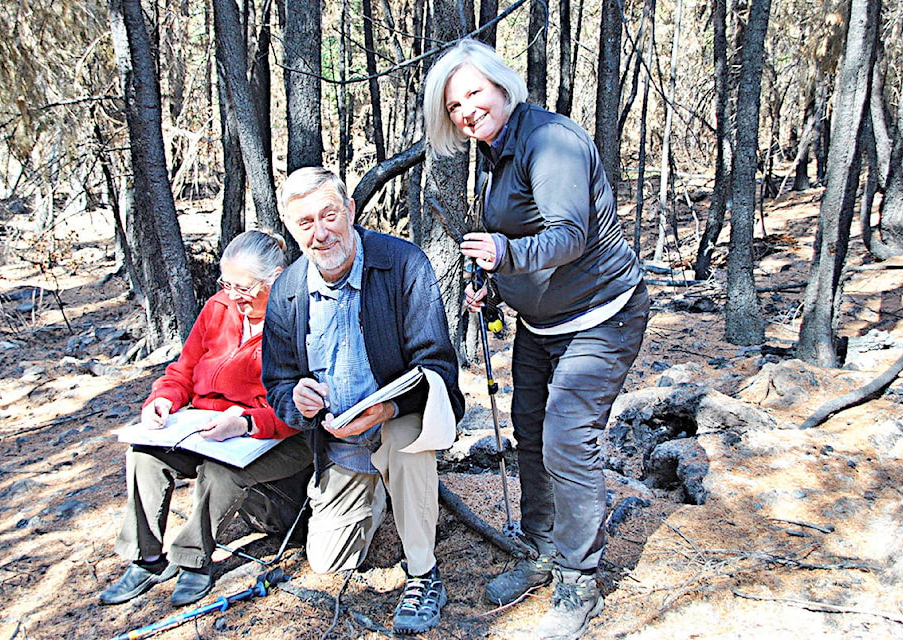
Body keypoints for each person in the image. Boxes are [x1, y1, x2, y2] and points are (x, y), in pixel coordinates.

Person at [423, 39, 650, 639]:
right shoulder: (494, 154)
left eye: (474, 93)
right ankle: (543, 549)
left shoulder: (551, 141)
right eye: (454, 106)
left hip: (603, 315)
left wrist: (506, 253)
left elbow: (569, 235)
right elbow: (518, 239)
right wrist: (496, 287)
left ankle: (580, 582)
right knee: (529, 430)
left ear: (502, 86)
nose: (467, 110)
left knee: (567, 437)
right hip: (541, 324)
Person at [261, 166, 465, 635]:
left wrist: (390, 408)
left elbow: (438, 369)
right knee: (329, 561)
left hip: (399, 421)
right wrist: (298, 400)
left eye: (329, 214)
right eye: (305, 223)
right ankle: (377, 493)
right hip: (340, 441)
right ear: (291, 230)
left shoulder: (403, 265)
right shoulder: (288, 291)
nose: (320, 232)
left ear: (350, 210)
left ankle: (423, 572)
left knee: (407, 441)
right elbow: (277, 384)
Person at [99, 231, 313, 608]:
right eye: (226, 283)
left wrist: (246, 423)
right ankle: (146, 559)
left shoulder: (300, 320)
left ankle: (193, 560)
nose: (233, 295)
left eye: (243, 288)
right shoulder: (218, 308)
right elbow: (182, 371)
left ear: (275, 279)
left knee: (220, 471)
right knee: (145, 456)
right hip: (205, 427)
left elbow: (300, 410)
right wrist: (163, 400)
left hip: (277, 436)